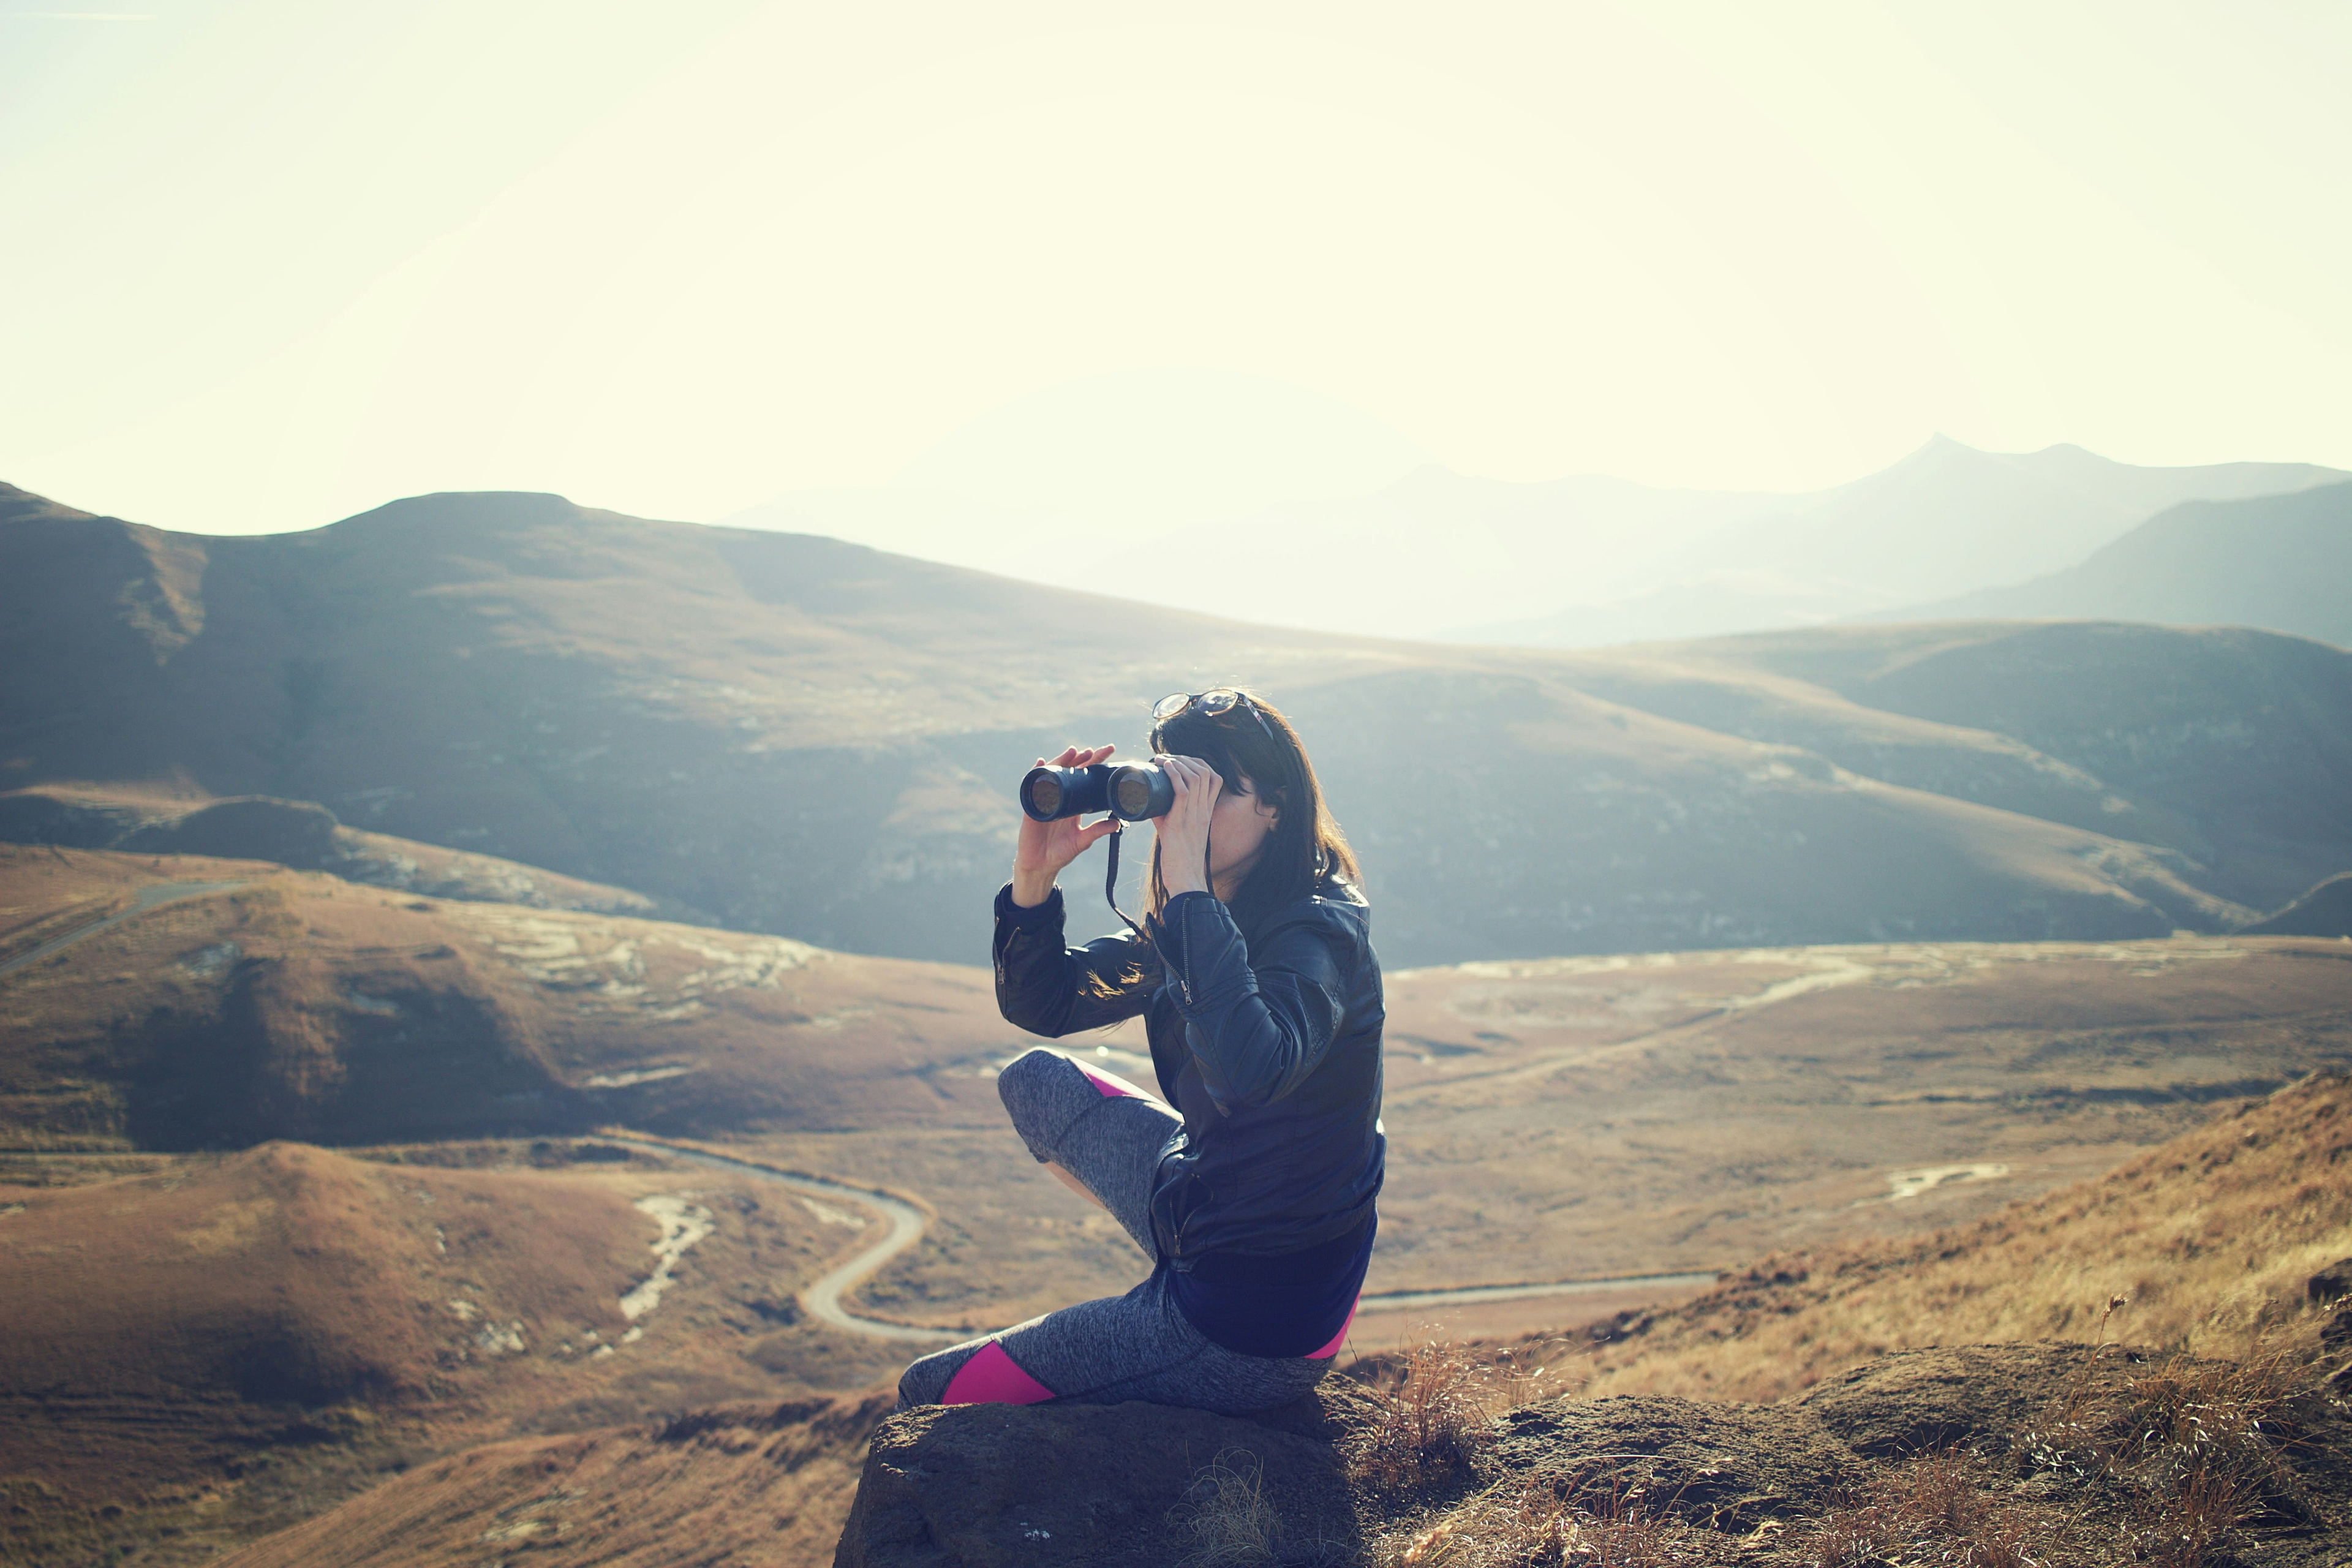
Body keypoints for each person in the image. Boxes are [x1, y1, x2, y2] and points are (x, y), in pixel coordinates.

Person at [895, 687, 1385, 1415]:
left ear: (1276, 807)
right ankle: (1169, 1280)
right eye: (1172, 791)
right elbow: (1048, 1004)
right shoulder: (1215, 908)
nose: (1179, 818)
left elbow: (1254, 1074)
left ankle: (1165, 1327)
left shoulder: (1316, 937)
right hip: (1211, 1202)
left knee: (929, 1392)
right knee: (1035, 1082)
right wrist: (1034, 881)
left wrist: (1187, 885)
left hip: (1253, 1321)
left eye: (1211, 795)